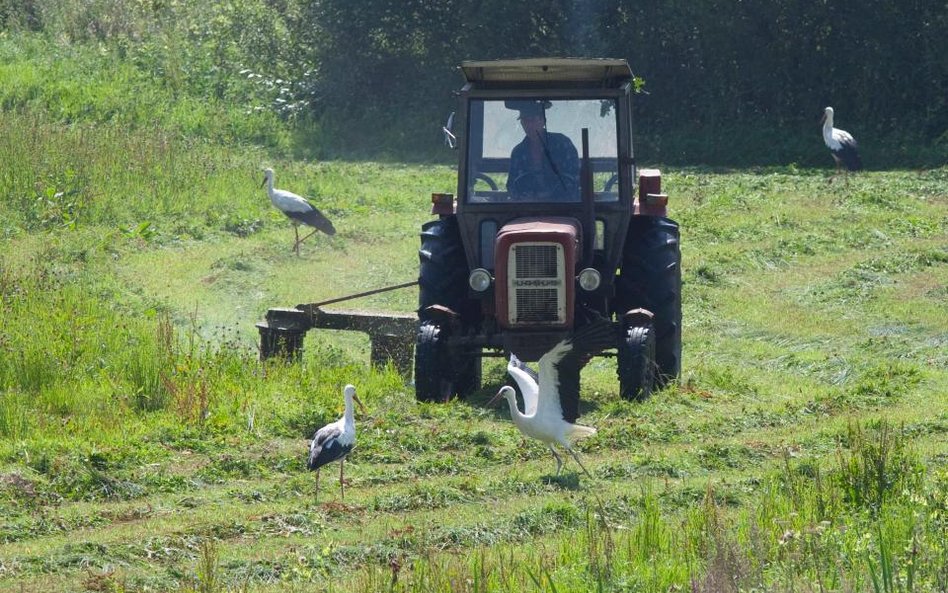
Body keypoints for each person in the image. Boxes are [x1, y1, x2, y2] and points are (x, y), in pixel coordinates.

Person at [506, 100, 580, 200]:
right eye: (524, 121)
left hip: (563, 207)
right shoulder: (518, 152)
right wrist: (523, 198)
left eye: (532, 120)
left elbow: (574, 177)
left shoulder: (562, 144)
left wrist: (549, 196)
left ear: (543, 121)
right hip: (528, 210)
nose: (528, 125)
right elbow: (511, 185)